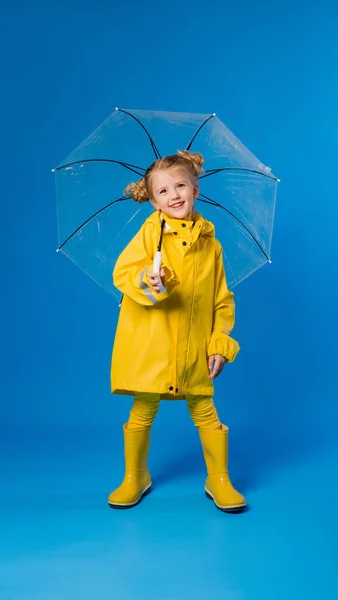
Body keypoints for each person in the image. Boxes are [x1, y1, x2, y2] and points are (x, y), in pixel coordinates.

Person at [108, 150, 246, 513]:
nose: (175, 196)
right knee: (143, 408)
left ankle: (218, 479)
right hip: (153, 346)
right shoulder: (150, 234)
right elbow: (122, 273)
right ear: (153, 201)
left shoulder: (211, 245)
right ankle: (135, 476)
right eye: (164, 191)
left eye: (181, 185)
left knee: (205, 410)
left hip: (193, 348)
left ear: (196, 189)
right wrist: (150, 280)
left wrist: (219, 342)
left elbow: (221, 300)